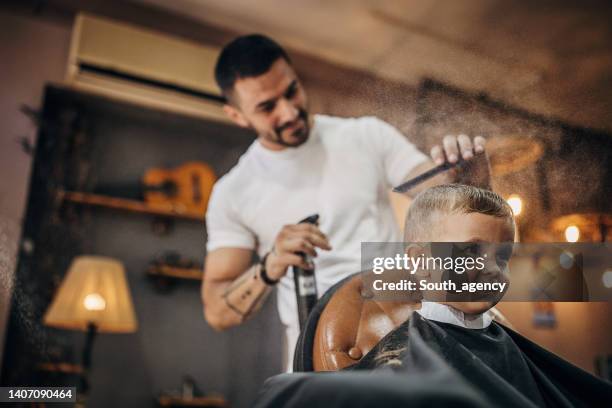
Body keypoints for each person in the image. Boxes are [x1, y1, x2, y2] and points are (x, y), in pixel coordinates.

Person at [202, 34, 488, 370]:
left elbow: (450, 200)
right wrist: (271, 265)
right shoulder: (233, 191)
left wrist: (472, 179)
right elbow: (216, 312)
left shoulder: (365, 135)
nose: (290, 111)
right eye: (267, 107)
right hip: (318, 356)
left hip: (401, 334)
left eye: (291, 91)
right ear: (237, 115)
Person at [253, 185, 612, 408]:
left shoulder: (509, 342)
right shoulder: (404, 353)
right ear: (419, 261)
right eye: (471, 252)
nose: (492, 269)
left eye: (503, 257)